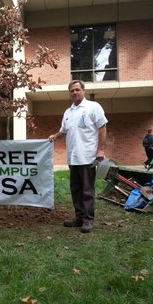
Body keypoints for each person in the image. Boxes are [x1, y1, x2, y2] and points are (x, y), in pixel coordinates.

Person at [49, 80, 108, 233]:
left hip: (87, 156)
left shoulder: (93, 107)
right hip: (72, 158)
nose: (75, 93)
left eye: (77, 89)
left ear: (83, 90)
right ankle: (79, 217)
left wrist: (100, 150)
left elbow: (102, 128)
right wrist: (55, 136)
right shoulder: (68, 113)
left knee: (87, 190)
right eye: (72, 91)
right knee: (75, 189)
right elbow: (64, 131)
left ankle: (88, 220)